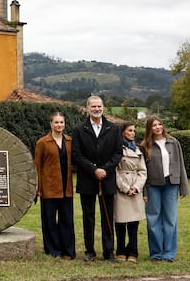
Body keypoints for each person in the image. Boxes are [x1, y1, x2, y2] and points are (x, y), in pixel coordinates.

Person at [72, 95, 123, 262]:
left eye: (99, 106)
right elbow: (77, 155)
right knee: (88, 217)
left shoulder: (113, 129)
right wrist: (94, 170)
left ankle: (109, 252)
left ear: (103, 108)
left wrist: (104, 169)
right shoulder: (79, 129)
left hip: (107, 179)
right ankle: (89, 251)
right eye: (93, 106)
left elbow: (118, 153)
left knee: (107, 216)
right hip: (87, 179)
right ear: (87, 108)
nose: (97, 109)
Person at [141, 116, 189, 262]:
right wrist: (143, 191)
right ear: (149, 128)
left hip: (171, 184)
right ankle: (156, 253)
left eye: (159, 124)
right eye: (154, 125)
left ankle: (168, 253)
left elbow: (180, 164)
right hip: (152, 185)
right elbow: (142, 169)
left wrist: (183, 187)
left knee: (170, 219)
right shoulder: (145, 145)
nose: (157, 127)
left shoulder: (173, 142)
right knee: (153, 219)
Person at [34, 112, 76, 259]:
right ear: (51, 124)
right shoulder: (43, 143)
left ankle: (67, 251)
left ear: (64, 124)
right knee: (49, 221)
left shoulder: (70, 141)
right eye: (56, 122)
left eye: (61, 122)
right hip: (49, 188)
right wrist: (38, 188)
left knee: (67, 220)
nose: (59, 125)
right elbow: (37, 166)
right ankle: (53, 250)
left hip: (67, 188)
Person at [113, 121, 147, 263]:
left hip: (135, 188)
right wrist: (125, 188)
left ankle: (133, 251)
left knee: (134, 223)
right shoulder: (116, 148)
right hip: (121, 188)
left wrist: (137, 187)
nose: (133, 133)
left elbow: (143, 171)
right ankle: (120, 250)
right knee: (120, 222)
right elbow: (114, 171)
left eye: (134, 131)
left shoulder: (138, 150)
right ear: (122, 132)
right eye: (130, 131)